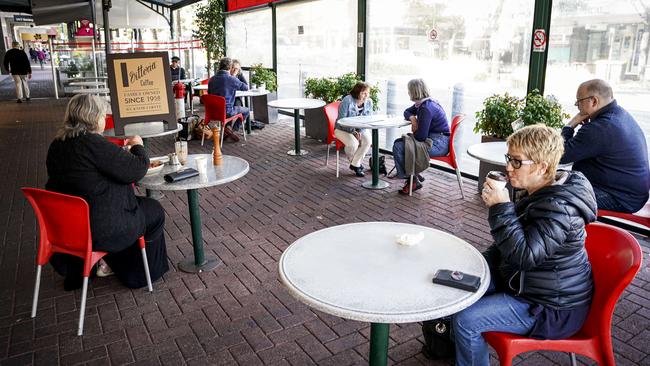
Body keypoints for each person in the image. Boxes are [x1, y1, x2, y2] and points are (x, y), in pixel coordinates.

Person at [450, 124, 596, 366]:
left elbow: (524, 256)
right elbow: (508, 247)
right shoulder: (541, 190)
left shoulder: (558, 209)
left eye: (517, 162)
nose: (508, 167)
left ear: (542, 167)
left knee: (467, 318)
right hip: (526, 284)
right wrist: (478, 265)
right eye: (509, 158)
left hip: (551, 307)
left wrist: (500, 207)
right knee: (458, 290)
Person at [45, 94, 169, 290]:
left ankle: (101, 264)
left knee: (130, 207)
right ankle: (140, 274)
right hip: (100, 228)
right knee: (153, 210)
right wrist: (138, 146)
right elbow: (136, 169)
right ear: (93, 118)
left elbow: (88, 175)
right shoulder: (92, 143)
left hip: (67, 228)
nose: (103, 119)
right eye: (102, 115)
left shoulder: (57, 145)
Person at [560, 79, 649, 213]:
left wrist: (570, 125)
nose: (577, 107)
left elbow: (559, 155)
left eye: (578, 102)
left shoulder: (601, 127)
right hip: (630, 192)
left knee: (553, 195)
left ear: (594, 101)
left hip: (620, 198)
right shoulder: (618, 114)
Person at [392, 79, 449, 194]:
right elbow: (407, 111)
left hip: (438, 144)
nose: (408, 93)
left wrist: (414, 131)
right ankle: (414, 175)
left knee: (398, 147)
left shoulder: (425, 108)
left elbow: (421, 137)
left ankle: (412, 180)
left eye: (409, 91)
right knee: (401, 143)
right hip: (440, 140)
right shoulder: (425, 103)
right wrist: (413, 119)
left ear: (414, 91)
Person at [335, 81, 373, 177]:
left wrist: (359, 131)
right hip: (342, 129)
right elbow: (341, 120)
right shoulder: (347, 100)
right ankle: (357, 165)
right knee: (353, 144)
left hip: (360, 129)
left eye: (368, 93)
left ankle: (355, 164)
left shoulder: (369, 102)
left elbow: (368, 118)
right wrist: (353, 131)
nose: (366, 96)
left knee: (368, 141)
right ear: (357, 92)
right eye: (364, 93)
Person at [208, 57, 249, 142]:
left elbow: (209, 94)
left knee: (235, 104)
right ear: (230, 67)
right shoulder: (232, 79)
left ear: (219, 66)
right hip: (227, 112)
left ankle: (228, 130)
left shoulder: (212, 79)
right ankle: (232, 131)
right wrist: (234, 78)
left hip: (213, 112)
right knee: (246, 110)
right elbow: (245, 87)